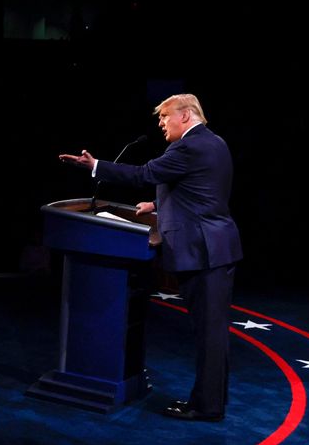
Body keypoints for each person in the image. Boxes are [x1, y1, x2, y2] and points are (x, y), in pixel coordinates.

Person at [59, 93, 242, 422]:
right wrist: (157, 206)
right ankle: (212, 400)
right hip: (215, 247)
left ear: (185, 115)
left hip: (204, 252)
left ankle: (206, 406)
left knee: (209, 334)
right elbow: (202, 190)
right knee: (211, 332)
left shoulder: (187, 146)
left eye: (165, 116)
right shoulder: (215, 143)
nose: (161, 123)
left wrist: (95, 166)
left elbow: (143, 174)